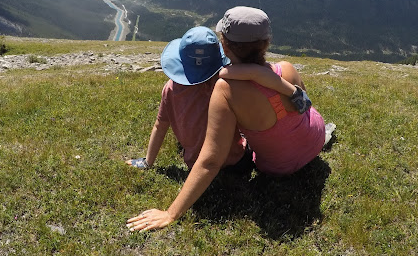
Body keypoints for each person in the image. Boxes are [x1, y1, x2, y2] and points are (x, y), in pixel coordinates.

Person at [127, 7, 328, 232]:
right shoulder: (287, 69)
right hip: (315, 139)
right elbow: (305, 106)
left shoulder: (226, 90)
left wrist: (171, 213)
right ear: (266, 43)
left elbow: (211, 161)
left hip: (278, 167)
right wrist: (258, 74)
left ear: (225, 45)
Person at [126, 25, 309, 170]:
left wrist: (148, 162)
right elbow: (256, 74)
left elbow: (160, 125)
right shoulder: (225, 87)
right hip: (235, 162)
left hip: (194, 163)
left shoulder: (169, 89)